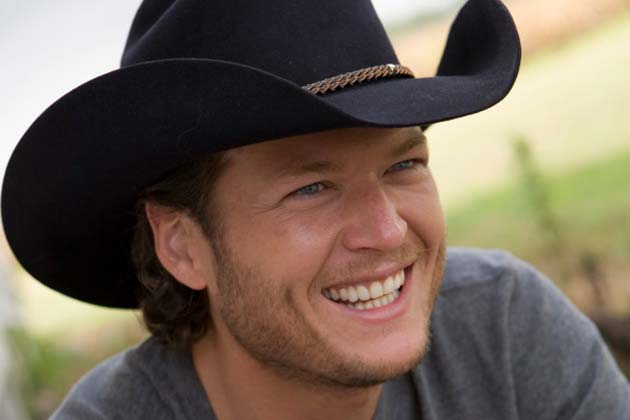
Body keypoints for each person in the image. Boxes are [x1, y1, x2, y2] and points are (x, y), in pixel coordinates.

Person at [2, 0, 629, 418]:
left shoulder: (505, 331)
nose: (386, 230)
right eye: (311, 188)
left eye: (404, 165)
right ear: (183, 246)